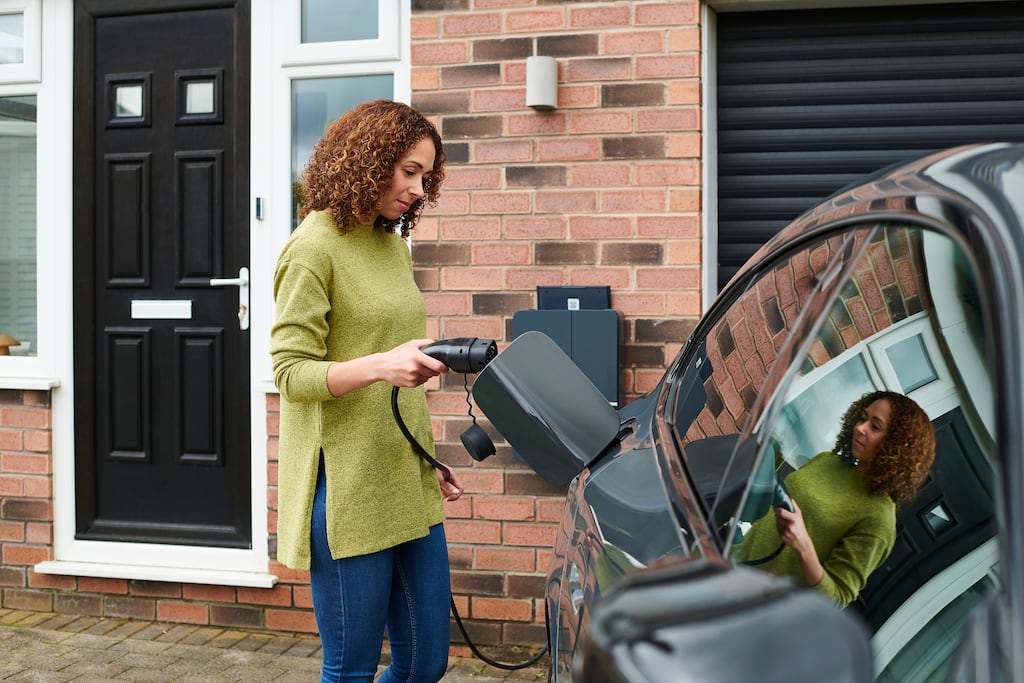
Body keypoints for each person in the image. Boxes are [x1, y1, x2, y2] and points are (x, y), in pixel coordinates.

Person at [270, 99, 464, 683]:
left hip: (403, 475)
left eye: (426, 176)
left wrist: (427, 458)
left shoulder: (389, 245)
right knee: (352, 667)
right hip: (347, 486)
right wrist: (381, 365)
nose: (418, 188)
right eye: (408, 170)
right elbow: (290, 373)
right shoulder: (313, 246)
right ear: (367, 158)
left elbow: (398, 362)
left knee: (424, 662)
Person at [734, 390, 935, 607]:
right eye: (863, 418)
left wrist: (803, 546)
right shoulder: (827, 462)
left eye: (875, 426)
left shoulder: (879, 519)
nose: (860, 428)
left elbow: (836, 598)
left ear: (898, 446)